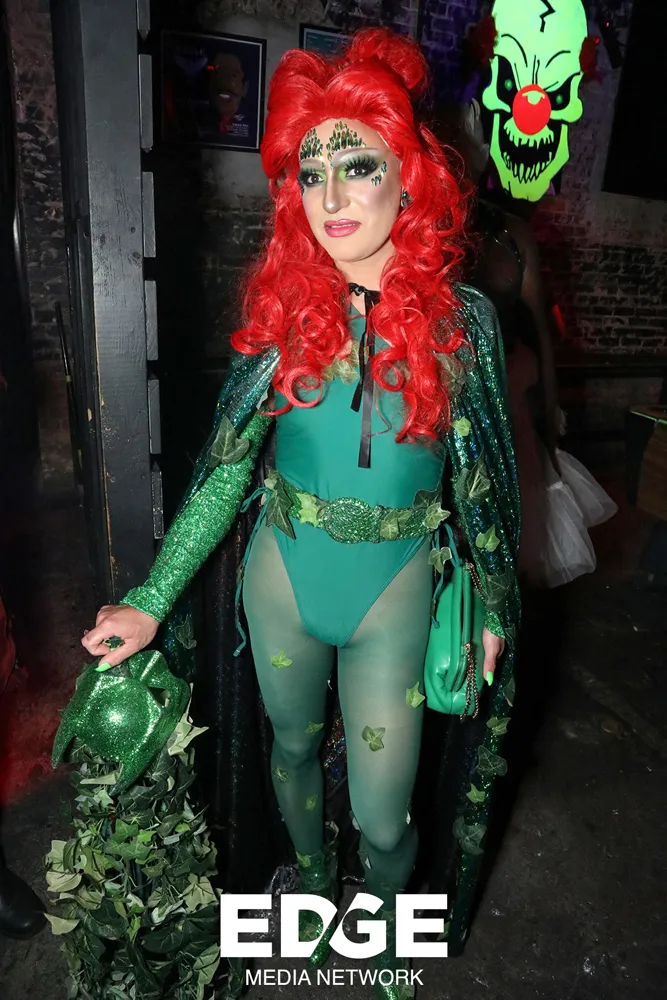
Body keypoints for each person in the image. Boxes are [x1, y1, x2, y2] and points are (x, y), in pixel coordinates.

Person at [80, 29, 520, 996]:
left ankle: (387, 928)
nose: (331, 198)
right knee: (284, 748)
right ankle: (314, 893)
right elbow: (223, 474)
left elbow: (486, 484)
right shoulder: (283, 317)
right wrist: (150, 600)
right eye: (310, 173)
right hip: (280, 580)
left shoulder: (463, 325)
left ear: (409, 178)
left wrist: (491, 604)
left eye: (356, 166)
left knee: (385, 814)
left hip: (395, 594)